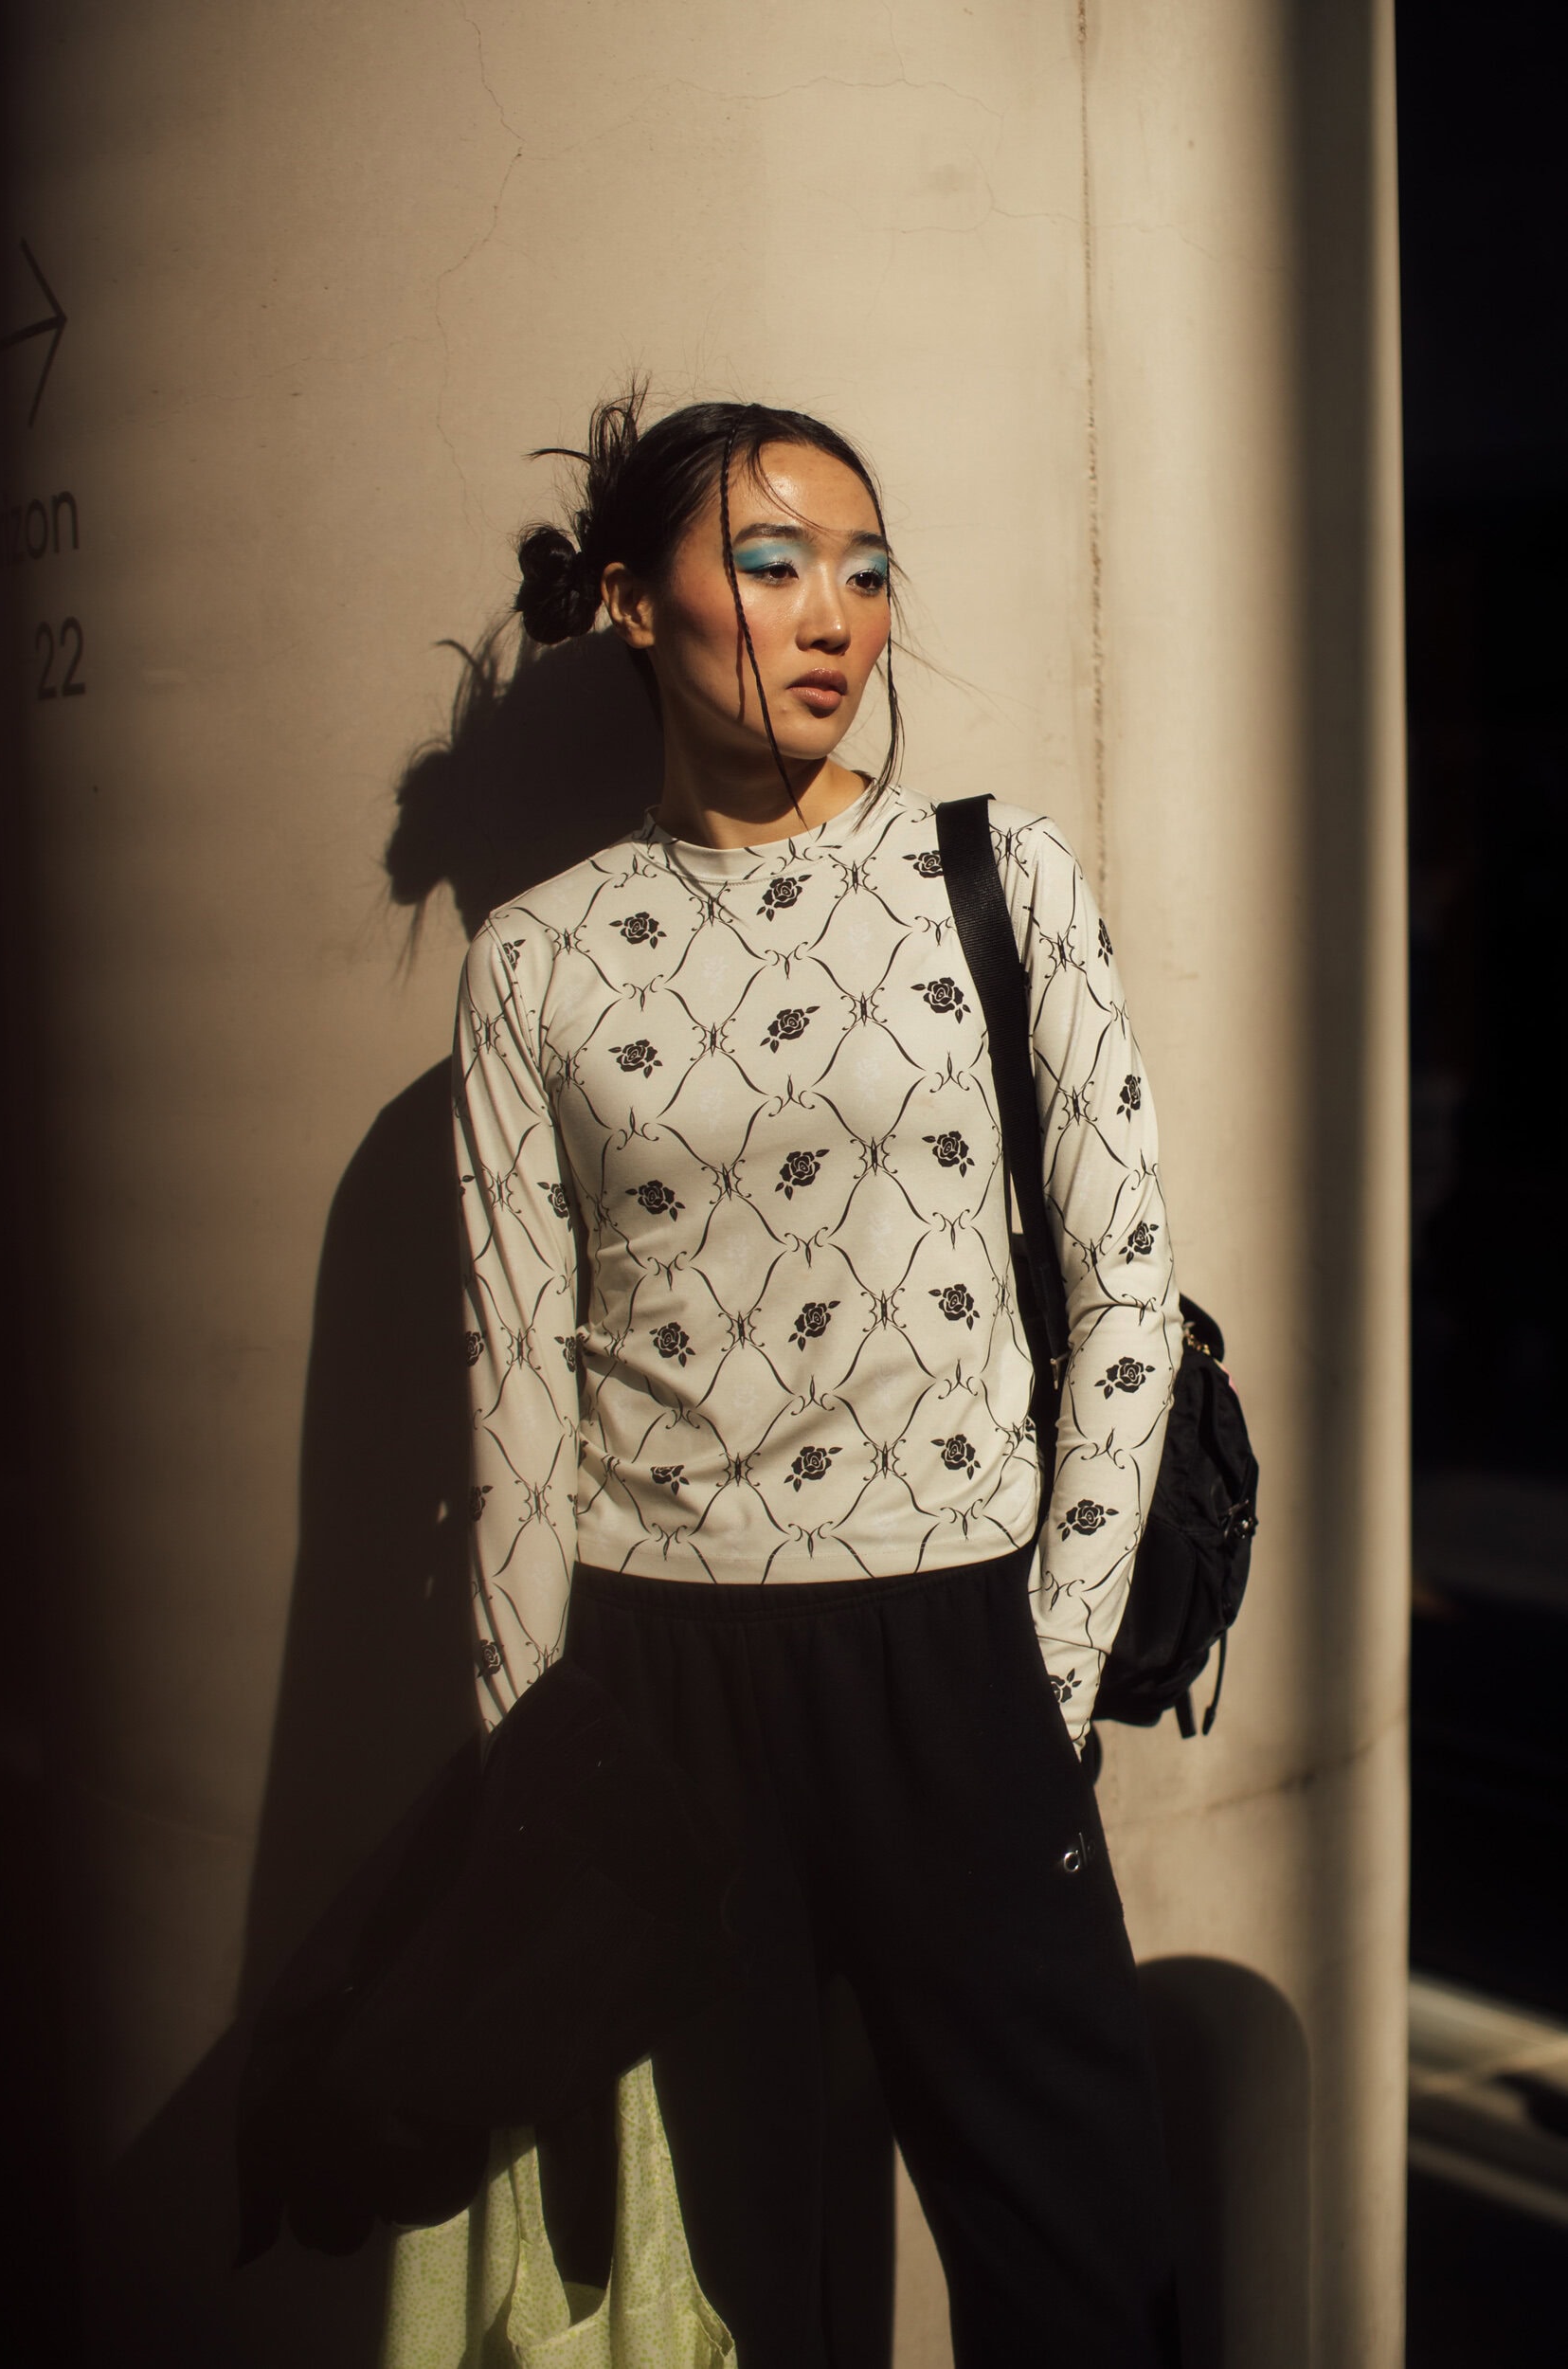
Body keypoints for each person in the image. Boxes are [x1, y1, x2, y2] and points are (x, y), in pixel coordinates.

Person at [451, 389, 1184, 2365]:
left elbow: (1128, 1282)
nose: (833, 615)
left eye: (864, 570)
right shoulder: (536, 960)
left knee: (1086, 2276)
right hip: (659, 1686)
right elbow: (517, 1396)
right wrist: (531, 1788)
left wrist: (1038, 1673)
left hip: (959, 1652)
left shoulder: (997, 875)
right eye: (769, 564)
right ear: (635, 603)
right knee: (733, 2301)